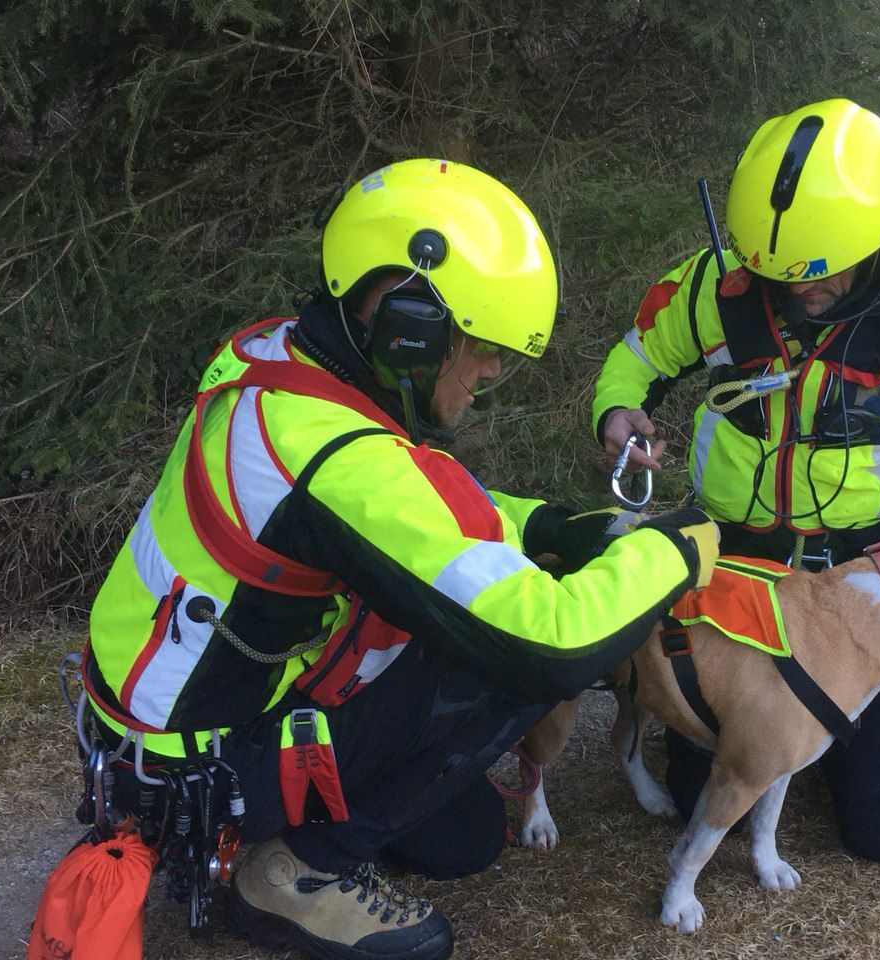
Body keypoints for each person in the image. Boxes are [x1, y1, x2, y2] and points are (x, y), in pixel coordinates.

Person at [82, 159, 719, 960]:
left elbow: (425, 513)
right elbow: (552, 642)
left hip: (161, 732)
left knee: (467, 839)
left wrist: (554, 525)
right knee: (509, 655)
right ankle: (294, 873)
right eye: (484, 345)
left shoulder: (291, 368)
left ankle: (309, 822)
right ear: (409, 324)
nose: (492, 371)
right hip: (196, 774)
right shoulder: (336, 458)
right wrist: (674, 549)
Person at [592, 99, 880, 864]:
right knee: (702, 797)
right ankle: (791, 736)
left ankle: (830, 740)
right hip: (734, 569)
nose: (796, 293)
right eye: (775, 275)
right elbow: (638, 354)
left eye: (820, 277)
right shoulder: (717, 284)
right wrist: (618, 412)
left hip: (868, 589)